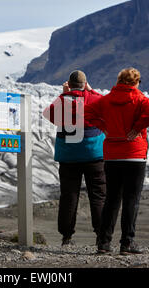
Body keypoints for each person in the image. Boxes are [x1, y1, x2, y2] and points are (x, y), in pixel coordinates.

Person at [85, 67, 149, 255]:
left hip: (112, 155)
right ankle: (127, 243)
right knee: (131, 200)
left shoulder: (107, 100)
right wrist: (138, 127)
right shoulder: (139, 98)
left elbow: (87, 112)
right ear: (136, 82)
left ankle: (104, 243)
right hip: (134, 154)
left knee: (111, 199)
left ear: (119, 81)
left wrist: (103, 127)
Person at [43, 70, 106, 246]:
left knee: (69, 195)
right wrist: (90, 91)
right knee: (98, 195)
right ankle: (101, 236)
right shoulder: (95, 99)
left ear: (69, 85)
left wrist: (64, 94)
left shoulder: (63, 100)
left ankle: (66, 237)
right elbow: (105, 105)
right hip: (94, 155)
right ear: (85, 84)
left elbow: (48, 115)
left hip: (69, 157)